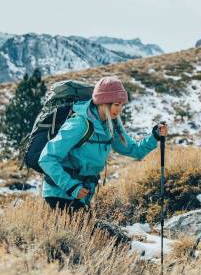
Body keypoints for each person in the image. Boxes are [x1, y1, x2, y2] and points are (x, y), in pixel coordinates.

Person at [39, 76, 167, 212]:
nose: (120, 110)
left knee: (91, 231)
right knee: (92, 232)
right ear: (102, 103)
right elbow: (46, 158)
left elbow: (134, 150)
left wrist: (154, 137)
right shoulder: (80, 124)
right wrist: (72, 186)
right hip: (60, 194)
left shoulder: (111, 125)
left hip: (81, 195)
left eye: (122, 105)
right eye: (116, 105)